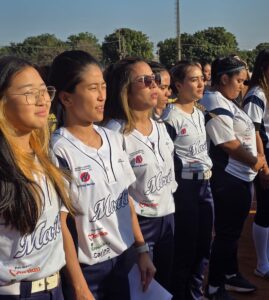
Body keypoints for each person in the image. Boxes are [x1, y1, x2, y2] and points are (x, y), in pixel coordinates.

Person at [48, 50, 155, 300]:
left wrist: (141, 249)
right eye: (93, 88)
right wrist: (79, 286)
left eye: (104, 87)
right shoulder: (58, 149)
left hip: (124, 257)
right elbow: (61, 225)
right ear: (66, 98)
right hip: (89, 270)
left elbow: (125, 199)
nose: (101, 96)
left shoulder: (113, 138)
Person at [0, 56, 74, 299]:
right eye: (30, 93)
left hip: (54, 288)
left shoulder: (46, 157)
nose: (43, 100)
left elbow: (60, 228)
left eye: (45, 90)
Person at [103, 57, 177, 292]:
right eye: (145, 81)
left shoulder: (161, 127)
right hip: (140, 226)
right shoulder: (115, 133)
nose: (154, 85)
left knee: (163, 286)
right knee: (142, 289)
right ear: (125, 89)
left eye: (155, 79)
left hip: (167, 216)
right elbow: (119, 196)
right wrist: (141, 245)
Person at [200, 56, 265, 300]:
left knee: (233, 233)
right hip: (228, 179)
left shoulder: (227, 100)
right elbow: (226, 142)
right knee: (226, 234)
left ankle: (229, 273)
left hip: (241, 177)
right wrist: (254, 160)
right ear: (224, 78)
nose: (242, 85)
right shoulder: (212, 100)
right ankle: (215, 286)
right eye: (238, 80)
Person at [164, 60, 213, 300]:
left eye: (201, 78)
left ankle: (195, 293)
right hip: (185, 188)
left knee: (204, 246)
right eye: (194, 79)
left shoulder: (199, 112)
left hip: (205, 185)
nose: (201, 83)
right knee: (186, 247)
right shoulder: (169, 117)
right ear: (179, 85)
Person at [243, 49, 269, 281]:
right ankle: (261, 262)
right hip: (267, 155)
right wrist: (263, 165)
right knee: (266, 208)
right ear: (264, 68)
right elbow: (253, 130)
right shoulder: (256, 94)